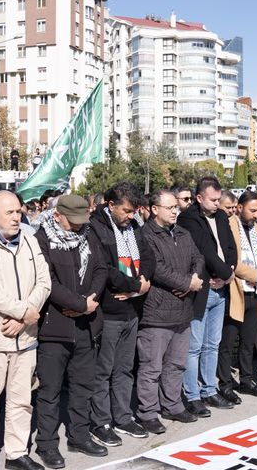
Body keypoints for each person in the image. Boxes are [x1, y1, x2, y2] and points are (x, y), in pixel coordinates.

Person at [0, 191, 51, 470]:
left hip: (25, 337)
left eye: (19, 211)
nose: (17, 217)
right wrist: (22, 311)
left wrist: (25, 316)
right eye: (10, 213)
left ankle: (16, 453)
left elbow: (44, 282)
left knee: (21, 401)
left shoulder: (29, 240)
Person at [34, 195, 108, 467]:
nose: (78, 226)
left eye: (81, 221)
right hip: (55, 328)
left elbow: (101, 269)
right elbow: (47, 281)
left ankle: (79, 435)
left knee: (83, 385)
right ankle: (47, 444)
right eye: (73, 221)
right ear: (58, 216)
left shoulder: (89, 235)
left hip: (87, 325)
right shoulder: (42, 240)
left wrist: (89, 303)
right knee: (50, 390)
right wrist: (79, 304)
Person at [88, 183, 154, 446]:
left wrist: (144, 281)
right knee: (103, 370)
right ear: (111, 205)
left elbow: (148, 256)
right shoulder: (96, 227)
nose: (131, 216)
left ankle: (123, 417)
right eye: (126, 211)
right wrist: (135, 286)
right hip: (109, 311)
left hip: (132, 308)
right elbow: (104, 269)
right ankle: (100, 422)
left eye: (134, 211)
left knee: (125, 369)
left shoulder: (135, 226)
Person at [137, 190, 205, 433]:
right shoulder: (146, 235)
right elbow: (157, 269)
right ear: (155, 209)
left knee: (176, 364)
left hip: (182, 310)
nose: (175, 211)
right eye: (170, 207)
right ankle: (147, 412)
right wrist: (187, 284)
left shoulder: (182, 233)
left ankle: (173, 405)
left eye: (176, 207)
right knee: (151, 366)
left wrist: (193, 279)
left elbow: (198, 257)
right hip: (157, 312)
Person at [177, 177, 238, 415]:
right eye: (212, 200)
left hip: (221, 287)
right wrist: (225, 274)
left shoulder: (222, 217)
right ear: (199, 198)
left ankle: (210, 390)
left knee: (213, 344)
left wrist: (229, 273)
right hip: (203, 289)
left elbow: (230, 248)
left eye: (218, 199)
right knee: (194, 346)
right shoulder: (189, 219)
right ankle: (192, 395)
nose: (216, 204)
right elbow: (206, 252)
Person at [219, 191, 257, 401]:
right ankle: (225, 384)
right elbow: (232, 259)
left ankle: (246, 379)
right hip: (237, 290)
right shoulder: (229, 226)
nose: (256, 214)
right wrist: (256, 275)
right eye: (253, 210)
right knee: (228, 341)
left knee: (248, 341)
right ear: (239, 208)